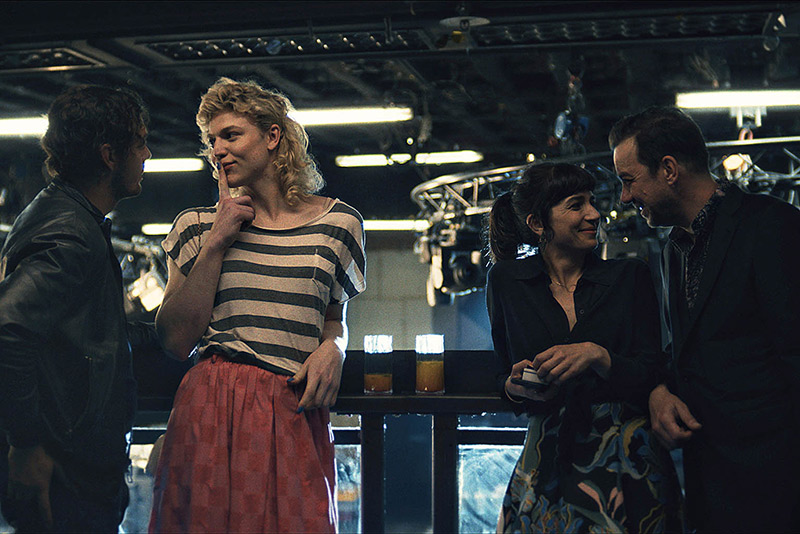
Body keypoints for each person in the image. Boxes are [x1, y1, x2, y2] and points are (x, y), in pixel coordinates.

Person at [148, 77, 366, 533]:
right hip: (211, 407)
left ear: (272, 136)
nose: (218, 150)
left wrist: (336, 348)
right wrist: (217, 241)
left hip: (291, 406)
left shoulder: (339, 224)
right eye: (212, 140)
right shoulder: (196, 226)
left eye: (231, 135)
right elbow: (175, 340)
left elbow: (334, 319)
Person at [609, 106, 800, 533]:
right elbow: (689, 350)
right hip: (712, 488)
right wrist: (659, 389)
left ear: (669, 170)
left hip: (778, 489)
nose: (624, 197)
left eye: (629, 180)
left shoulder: (772, 226)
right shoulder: (673, 250)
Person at [486, 163, 682, 533]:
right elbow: (502, 371)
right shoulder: (506, 282)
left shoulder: (630, 276)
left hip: (625, 452)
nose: (594, 214)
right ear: (537, 223)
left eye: (592, 202)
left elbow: (652, 370)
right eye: (576, 205)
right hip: (548, 451)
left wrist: (598, 355)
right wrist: (512, 387)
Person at [0, 85, 151, 532]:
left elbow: (81, 333)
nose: (147, 155)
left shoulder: (70, 216)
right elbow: (8, 328)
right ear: (110, 155)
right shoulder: (70, 233)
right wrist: (26, 444)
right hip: (64, 470)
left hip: (72, 463)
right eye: (140, 143)